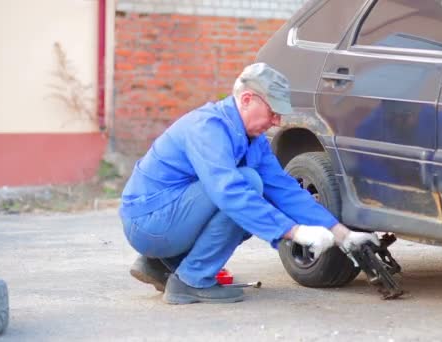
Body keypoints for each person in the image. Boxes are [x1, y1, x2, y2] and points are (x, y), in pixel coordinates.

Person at [119, 63, 379, 305]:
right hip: (149, 224)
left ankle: (163, 264)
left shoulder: (253, 141)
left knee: (256, 189)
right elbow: (229, 192)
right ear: (246, 100)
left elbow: (285, 190)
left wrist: (341, 234)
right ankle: (191, 281)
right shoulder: (207, 128)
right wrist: (294, 231)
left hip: (167, 221)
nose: (277, 121)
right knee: (246, 185)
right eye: (273, 111)